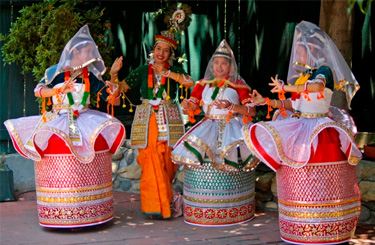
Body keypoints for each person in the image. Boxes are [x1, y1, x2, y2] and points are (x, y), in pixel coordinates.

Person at [242, 21, 362, 244]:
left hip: (321, 132)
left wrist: (287, 88)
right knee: (298, 176)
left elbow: (317, 89)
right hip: (302, 128)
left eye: (299, 50)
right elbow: (294, 105)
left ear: (312, 50)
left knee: (322, 179)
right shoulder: (303, 77)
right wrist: (266, 101)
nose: (296, 55)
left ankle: (327, 228)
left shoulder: (323, 70)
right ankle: (302, 226)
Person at [4, 24, 126, 229]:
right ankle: (61, 212)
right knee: (60, 154)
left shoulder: (91, 76)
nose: (91, 54)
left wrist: (113, 80)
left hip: (85, 120)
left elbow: (112, 101)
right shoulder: (56, 71)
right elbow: (38, 91)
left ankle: (89, 211)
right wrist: (58, 92)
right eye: (88, 51)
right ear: (75, 51)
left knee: (91, 155)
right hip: (61, 120)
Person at [171, 40, 259, 226]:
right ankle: (202, 210)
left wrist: (232, 107)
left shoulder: (239, 85)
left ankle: (233, 210)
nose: (219, 67)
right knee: (203, 162)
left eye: (224, 63)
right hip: (207, 126)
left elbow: (251, 112)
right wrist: (187, 106)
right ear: (212, 65)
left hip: (232, 127)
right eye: (216, 63)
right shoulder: (203, 84)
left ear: (230, 66)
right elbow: (193, 106)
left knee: (232, 162)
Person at [109, 28, 194, 219]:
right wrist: (114, 75)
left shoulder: (175, 71)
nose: (161, 53)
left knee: (166, 162)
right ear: (153, 50)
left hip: (169, 117)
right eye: (158, 49)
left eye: (165, 50)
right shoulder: (141, 70)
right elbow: (120, 89)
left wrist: (168, 73)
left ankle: (164, 202)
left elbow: (190, 82)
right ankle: (167, 200)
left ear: (170, 54)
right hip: (147, 118)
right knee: (149, 159)